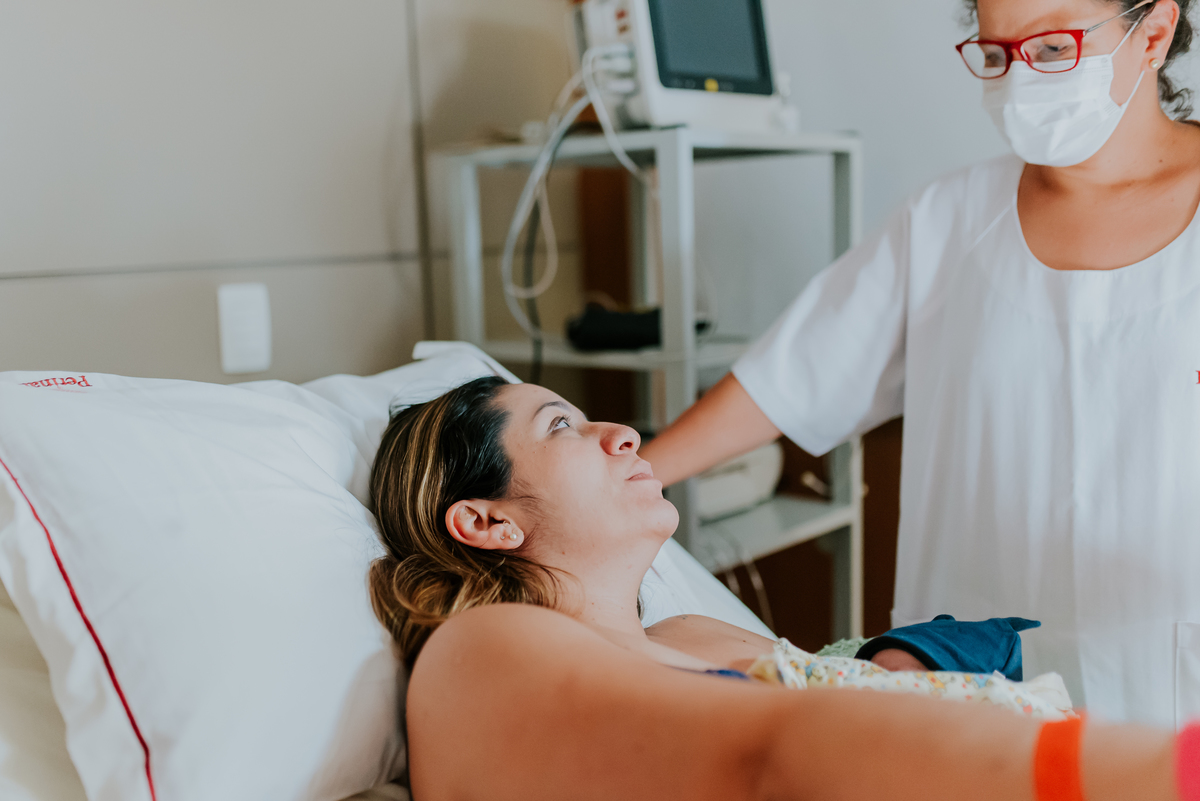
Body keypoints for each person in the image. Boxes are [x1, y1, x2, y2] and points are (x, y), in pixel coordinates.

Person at [638, 0, 1200, 727]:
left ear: (1152, 33)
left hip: (1172, 670)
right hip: (970, 674)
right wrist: (617, 482)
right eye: (996, 55)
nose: (1021, 81)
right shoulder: (947, 221)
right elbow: (790, 377)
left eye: (1053, 49)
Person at [366, 377, 1183, 801]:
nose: (622, 433)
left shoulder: (692, 634)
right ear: (486, 520)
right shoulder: (483, 650)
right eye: (560, 426)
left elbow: (853, 699)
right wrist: (1149, 774)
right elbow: (777, 759)